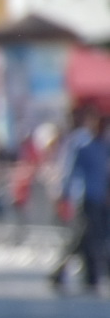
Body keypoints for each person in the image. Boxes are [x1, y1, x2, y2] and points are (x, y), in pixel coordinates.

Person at [51, 105, 109, 293]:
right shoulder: (81, 143)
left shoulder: (104, 145)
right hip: (84, 196)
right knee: (87, 236)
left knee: (90, 237)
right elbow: (70, 170)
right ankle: (87, 273)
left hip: (100, 197)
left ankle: (84, 273)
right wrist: (64, 194)